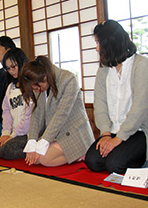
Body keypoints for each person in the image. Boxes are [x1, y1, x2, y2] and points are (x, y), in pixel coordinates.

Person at [85, 20, 148, 174]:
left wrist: (118, 139)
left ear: (111, 43)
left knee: (114, 165)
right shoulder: (104, 70)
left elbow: (140, 107)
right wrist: (106, 134)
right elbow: (99, 104)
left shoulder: (140, 65)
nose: (97, 48)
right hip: (112, 130)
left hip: (136, 131)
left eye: (99, 43)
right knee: (92, 161)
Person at [19, 56, 94, 167]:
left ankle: (81, 153)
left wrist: (44, 142)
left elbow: (61, 114)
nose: (37, 91)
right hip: (55, 134)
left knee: (44, 158)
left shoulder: (68, 79)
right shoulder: (39, 83)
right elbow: (36, 114)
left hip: (73, 133)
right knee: (36, 158)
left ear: (44, 77)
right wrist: (32, 142)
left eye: (36, 88)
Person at [0, 48, 33, 159]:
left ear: (22, 62)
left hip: (27, 133)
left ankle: (33, 149)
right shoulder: (10, 87)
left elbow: (29, 116)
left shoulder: (31, 85)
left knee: (7, 150)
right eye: (8, 68)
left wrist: (13, 135)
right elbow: (6, 111)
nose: (11, 71)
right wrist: (5, 133)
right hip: (13, 132)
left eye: (14, 67)